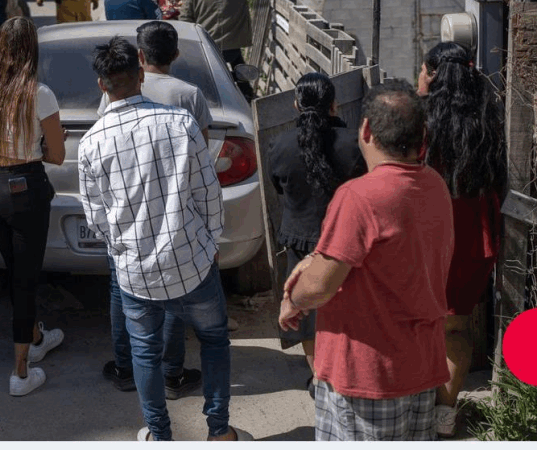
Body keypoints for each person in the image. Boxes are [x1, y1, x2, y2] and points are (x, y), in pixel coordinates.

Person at [78, 37, 244, 442]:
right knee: (214, 341)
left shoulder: (91, 143)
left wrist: (122, 249)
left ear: (102, 85)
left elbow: (97, 218)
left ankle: (159, 434)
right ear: (141, 74)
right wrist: (209, 241)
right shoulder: (180, 124)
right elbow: (208, 193)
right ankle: (218, 431)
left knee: (144, 352)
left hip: (134, 274)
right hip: (193, 262)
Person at [278, 80, 453, 442]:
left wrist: (293, 299)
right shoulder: (434, 184)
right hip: (420, 364)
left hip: (368, 373)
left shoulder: (359, 197)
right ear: (422, 135)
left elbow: (320, 286)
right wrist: (316, 258)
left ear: (367, 129)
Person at [95, 23, 210, 401]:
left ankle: (126, 368)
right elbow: (201, 160)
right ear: (176, 55)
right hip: (176, 215)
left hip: (127, 215)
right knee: (174, 296)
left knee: (120, 292)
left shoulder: (116, 86)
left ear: (140, 58)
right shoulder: (190, 95)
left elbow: (103, 138)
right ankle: (173, 374)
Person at [0, 17, 66, 396]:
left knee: (15, 269)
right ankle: (21, 373)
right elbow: (56, 155)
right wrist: (40, 144)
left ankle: (36, 336)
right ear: (31, 50)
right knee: (26, 278)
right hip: (23, 188)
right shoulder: (38, 93)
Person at [418, 42, 508, 438]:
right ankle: (444, 416)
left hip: (426, 239)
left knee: (419, 326)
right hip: (472, 237)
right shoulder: (486, 117)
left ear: (432, 73)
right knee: (454, 329)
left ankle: (414, 409)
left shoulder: (419, 122)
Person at [266, 72, 366, 396]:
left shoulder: (279, 145)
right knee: (347, 308)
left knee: (306, 312)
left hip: (300, 239)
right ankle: (344, 375)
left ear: (296, 105)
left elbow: (279, 187)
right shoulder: (355, 144)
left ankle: (319, 379)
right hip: (346, 242)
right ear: (334, 104)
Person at [181, 0, 298, 96]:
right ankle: (248, 96)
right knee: (239, 68)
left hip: (207, 46)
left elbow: (185, 19)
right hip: (233, 44)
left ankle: (238, 94)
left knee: (215, 79)